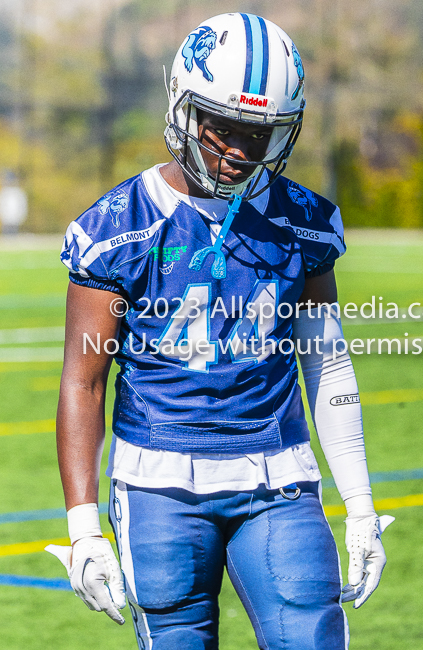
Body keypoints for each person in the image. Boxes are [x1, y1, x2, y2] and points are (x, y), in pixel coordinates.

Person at [46, 13, 393, 650]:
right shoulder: (117, 226)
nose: (237, 150)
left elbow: (326, 362)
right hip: (159, 483)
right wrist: (83, 526)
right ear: (183, 109)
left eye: (257, 134)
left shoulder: (303, 221)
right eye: (222, 128)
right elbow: (84, 380)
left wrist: (361, 503)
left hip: (278, 476)